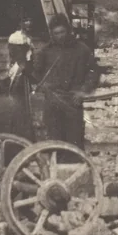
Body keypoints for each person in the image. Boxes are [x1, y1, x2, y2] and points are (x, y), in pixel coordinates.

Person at [32, 13, 99, 148]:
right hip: (53, 103)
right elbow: (36, 74)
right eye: (56, 33)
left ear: (68, 31)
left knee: (74, 141)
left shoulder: (82, 50)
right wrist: (44, 87)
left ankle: (75, 168)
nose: (60, 36)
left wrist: (83, 92)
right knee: (54, 142)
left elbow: (93, 73)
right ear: (51, 34)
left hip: (73, 102)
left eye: (62, 32)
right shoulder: (45, 52)